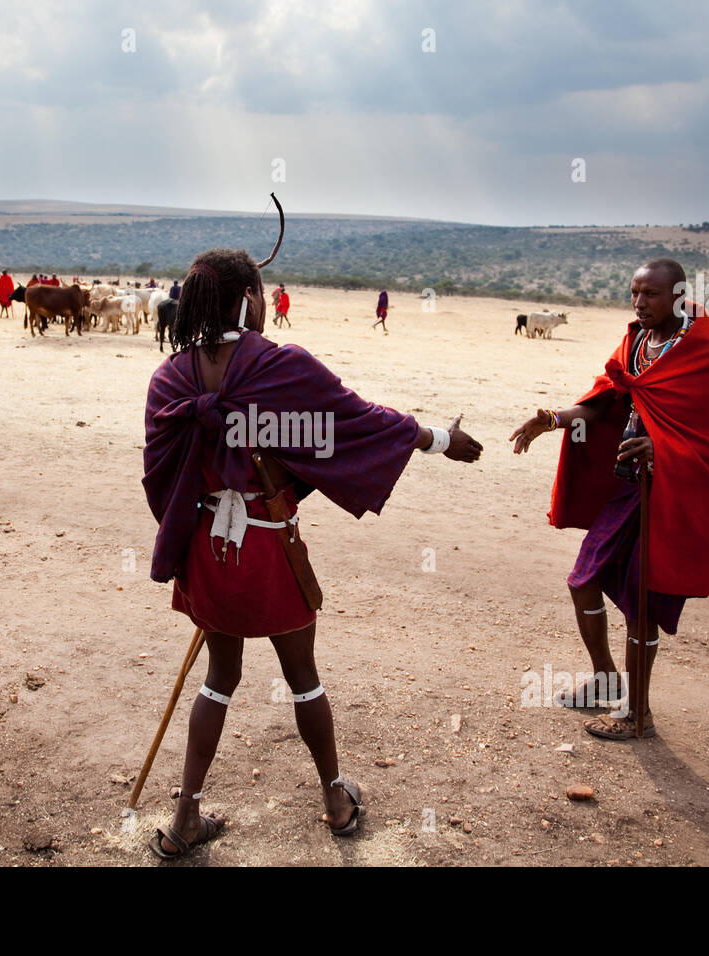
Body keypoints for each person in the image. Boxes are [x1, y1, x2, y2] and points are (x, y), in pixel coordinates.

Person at [143, 247, 482, 857]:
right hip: (269, 552)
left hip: (208, 552)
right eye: (263, 292)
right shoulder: (281, 366)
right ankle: (335, 798)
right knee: (303, 678)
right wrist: (438, 438)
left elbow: (161, 477)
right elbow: (357, 421)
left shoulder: (170, 379)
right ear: (249, 298)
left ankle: (186, 815)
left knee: (219, 678)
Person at [509, 259, 709, 740]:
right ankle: (605, 680)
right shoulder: (637, 342)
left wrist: (663, 450)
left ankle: (638, 713)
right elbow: (606, 399)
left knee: (643, 603)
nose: (639, 303)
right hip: (627, 486)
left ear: (678, 296)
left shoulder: (703, 353)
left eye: (651, 295)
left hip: (669, 493)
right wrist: (556, 419)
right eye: (634, 293)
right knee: (583, 580)